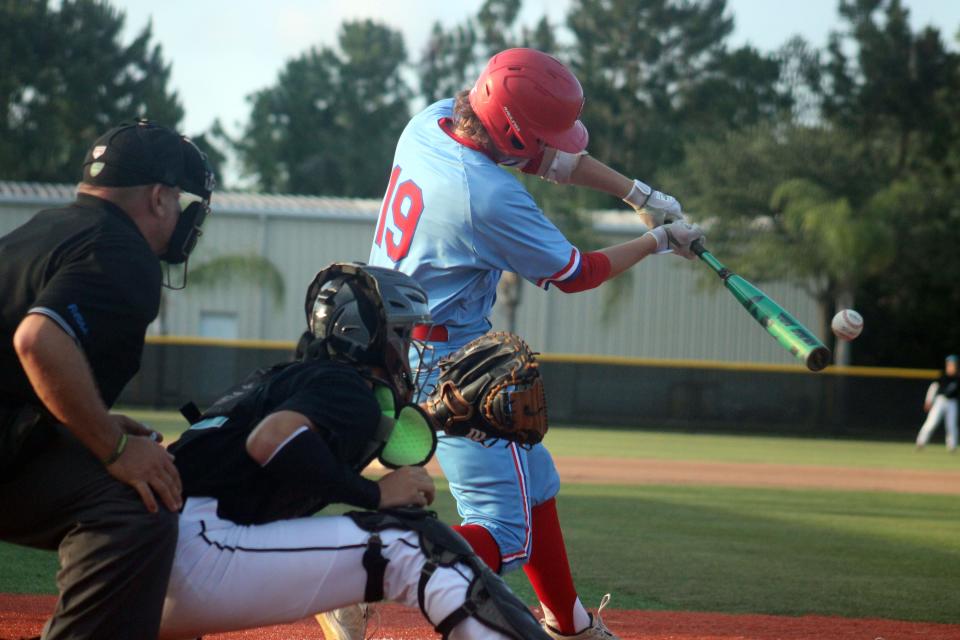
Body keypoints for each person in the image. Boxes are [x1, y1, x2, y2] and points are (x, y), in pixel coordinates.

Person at [361, 47, 704, 640]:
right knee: (501, 532)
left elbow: (542, 156)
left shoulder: (432, 118)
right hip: (450, 363)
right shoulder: (487, 196)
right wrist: (660, 242)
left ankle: (569, 624)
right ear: (512, 134)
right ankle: (359, 580)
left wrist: (637, 195)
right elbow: (576, 274)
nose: (553, 148)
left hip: (390, 341)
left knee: (535, 479)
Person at [158, 262, 550, 640]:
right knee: (419, 542)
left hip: (152, 555)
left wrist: (438, 416)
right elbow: (271, 440)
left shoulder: (290, 379)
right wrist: (375, 494)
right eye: (402, 332)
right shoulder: (346, 387)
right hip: (193, 549)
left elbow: (366, 432)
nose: (407, 345)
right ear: (366, 333)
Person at [0, 121, 215, 639]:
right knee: (139, 504)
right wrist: (113, 446)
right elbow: (38, 341)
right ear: (160, 198)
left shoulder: (43, 226)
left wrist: (84, 417)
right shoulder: (123, 250)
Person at [915, 354, 958, 452]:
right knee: (931, 422)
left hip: (952, 402)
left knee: (951, 425)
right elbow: (933, 387)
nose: (951, 366)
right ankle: (920, 442)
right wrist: (929, 400)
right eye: (949, 364)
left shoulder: (957, 377)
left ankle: (952, 446)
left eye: (953, 364)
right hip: (940, 401)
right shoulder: (943, 375)